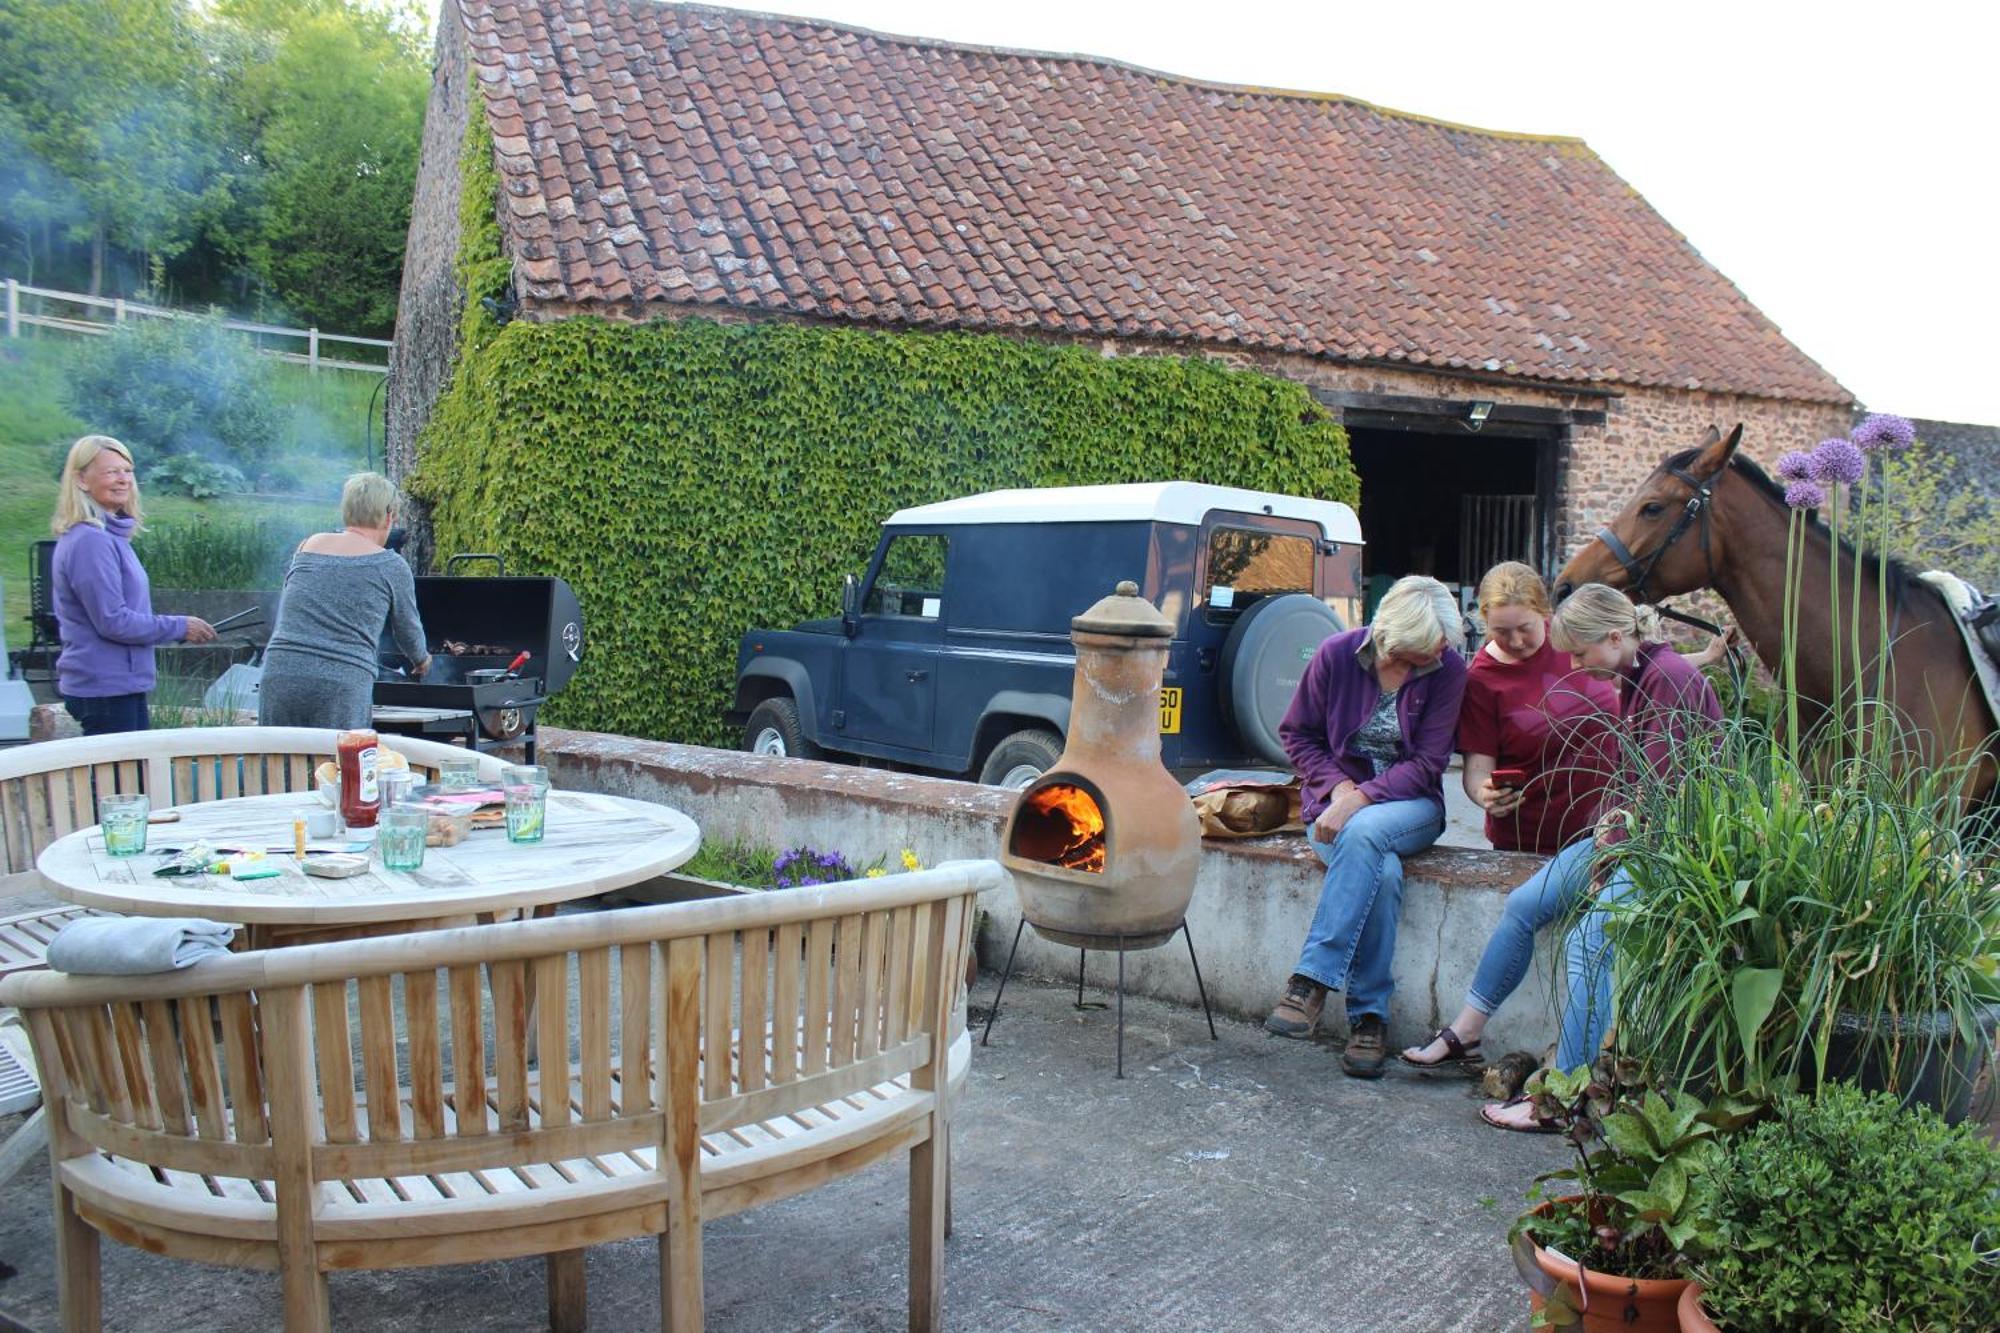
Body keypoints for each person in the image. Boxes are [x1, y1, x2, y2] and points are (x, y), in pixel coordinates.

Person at [1401, 571, 1734, 1076]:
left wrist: (1610, 847)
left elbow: (1661, 789)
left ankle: (1567, 1084)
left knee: (1588, 940)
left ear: (1616, 637)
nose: (1573, 666)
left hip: (1663, 844)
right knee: (1524, 903)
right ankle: (1465, 1031)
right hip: (1610, 833)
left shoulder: (1661, 678)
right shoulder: (1639, 672)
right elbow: (1640, 775)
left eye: (1579, 655)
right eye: (1500, 632)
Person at [1264, 575, 1467, 1078]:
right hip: (1333, 806)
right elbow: (1297, 733)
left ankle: (1311, 979)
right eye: (1419, 653)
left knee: (1368, 830)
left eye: (1437, 650)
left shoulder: (1448, 669)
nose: (1431, 660)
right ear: (1389, 637)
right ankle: (1369, 1018)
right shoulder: (1336, 655)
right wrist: (1336, 789)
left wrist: (1360, 799)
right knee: (1386, 875)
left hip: (1410, 807)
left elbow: (1428, 762)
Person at [49, 435, 216, 735]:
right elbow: (113, 621)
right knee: (122, 783)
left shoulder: (111, 538)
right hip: (104, 691)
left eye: (127, 471)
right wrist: (180, 627)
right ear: (81, 480)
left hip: (119, 687)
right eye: (111, 472)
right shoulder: (90, 541)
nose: (123, 479)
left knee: (131, 781)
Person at [257, 472, 430, 731]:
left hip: (280, 672)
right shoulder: (391, 565)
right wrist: (421, 660)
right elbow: (407, 630)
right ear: (388, 516)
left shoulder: (308, 545)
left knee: (279, 764)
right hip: (341, 682)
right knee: (341, 766)